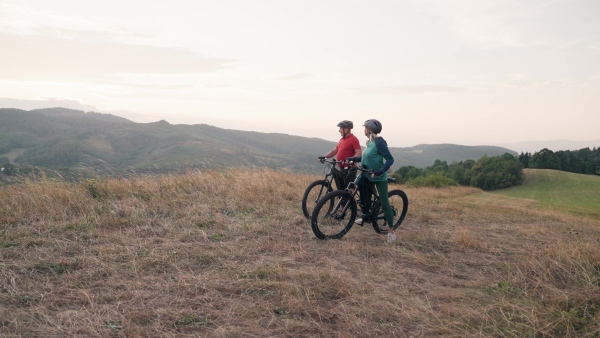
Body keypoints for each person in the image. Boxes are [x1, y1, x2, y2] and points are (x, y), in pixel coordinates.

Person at [348, 119, 396, 243]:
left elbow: (390, 159)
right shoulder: (369, 142)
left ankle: (391, 231)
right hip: (367, 175)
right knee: (362, 197)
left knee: (384, 203)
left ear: (369, 130)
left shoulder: (379, 143)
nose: (364, 130)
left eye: (365, 128)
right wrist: (354, 159)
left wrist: (380, 171)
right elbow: (365, 159)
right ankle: (365, 217)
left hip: (379, 177)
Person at [319, 120, 362, 190]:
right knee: (342, 188)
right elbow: (334, 151)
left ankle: (352, 201)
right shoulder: (342, 139)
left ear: (347, 129)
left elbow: (359, 153)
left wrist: (351, 159)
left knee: (349, 189)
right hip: (342, 167)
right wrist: (324, 156)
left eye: (341, 128)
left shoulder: (354, 139)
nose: (339, 130)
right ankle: (344, 200)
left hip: (350, 168)